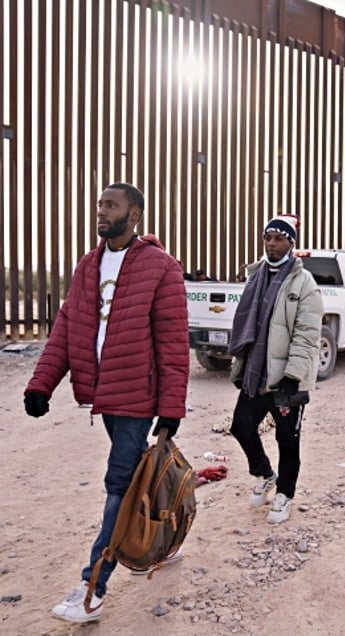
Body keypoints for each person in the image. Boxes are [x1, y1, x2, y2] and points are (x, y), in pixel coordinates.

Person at [23, 183, 189, 624]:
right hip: (102, 393)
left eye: (110, 205)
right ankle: (168, 536)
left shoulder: (161, 267)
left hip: (138, 397)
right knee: (138, 477)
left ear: (134, 214)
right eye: (98, 204)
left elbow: (173, 344)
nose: (100, 211)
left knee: (120, 485)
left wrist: (171, 408)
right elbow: (66, 327)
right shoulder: (88, 265)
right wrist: (42, 384)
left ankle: (92, 587)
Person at [228, 216, 323, 524]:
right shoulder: (255, 277)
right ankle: (265, 473)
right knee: (241, 426)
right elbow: (246, 325)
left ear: (290, 244)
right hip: (256, 374)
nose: (271, 244)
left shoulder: (303, 282)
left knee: (287, 438)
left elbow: (307, 334)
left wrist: (292, 377)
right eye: (268, 238)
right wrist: (240, 365)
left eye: (279, 239)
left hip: (286, 379)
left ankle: (285, 494)